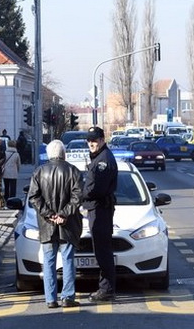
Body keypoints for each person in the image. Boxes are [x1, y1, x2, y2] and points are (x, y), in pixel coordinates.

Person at [28, 140, 83, 308]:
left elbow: (33, 197)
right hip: (68, 223)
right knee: (67, 260)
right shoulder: (73, 171)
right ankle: (67, 297)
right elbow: (78, 196)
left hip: (46, 224)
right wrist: (64, 214)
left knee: (49, 261)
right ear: (63, 153)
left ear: (49, 154)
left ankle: (51, 299)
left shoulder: (39, 172)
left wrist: (50, 215)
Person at [81, 126, 118, 302]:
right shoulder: (98, 157)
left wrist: (81, 193)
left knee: (103, 251)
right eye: (89, 140)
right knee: (101, 250)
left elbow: (96, 189)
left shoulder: (103, 160)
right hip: (97, 209)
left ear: (102, 140)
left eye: (94, 140)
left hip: (100, 209)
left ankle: (106, 289)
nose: (91, 143)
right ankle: (106, 288)